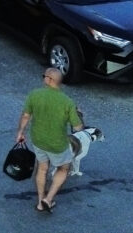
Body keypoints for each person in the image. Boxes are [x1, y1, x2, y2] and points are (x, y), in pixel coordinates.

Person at [15, 68, 84, 214]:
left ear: (49, 79)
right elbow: (78, 128)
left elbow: (26, 116)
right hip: (57, 144)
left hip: (38, 140)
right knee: (64, 168)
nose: (43, 78)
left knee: (42, 168)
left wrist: (20, 132)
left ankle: (40, 202)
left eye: (44, 76)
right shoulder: (67, 102)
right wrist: (78, 114)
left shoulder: (35, 95)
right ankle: (49, 199)